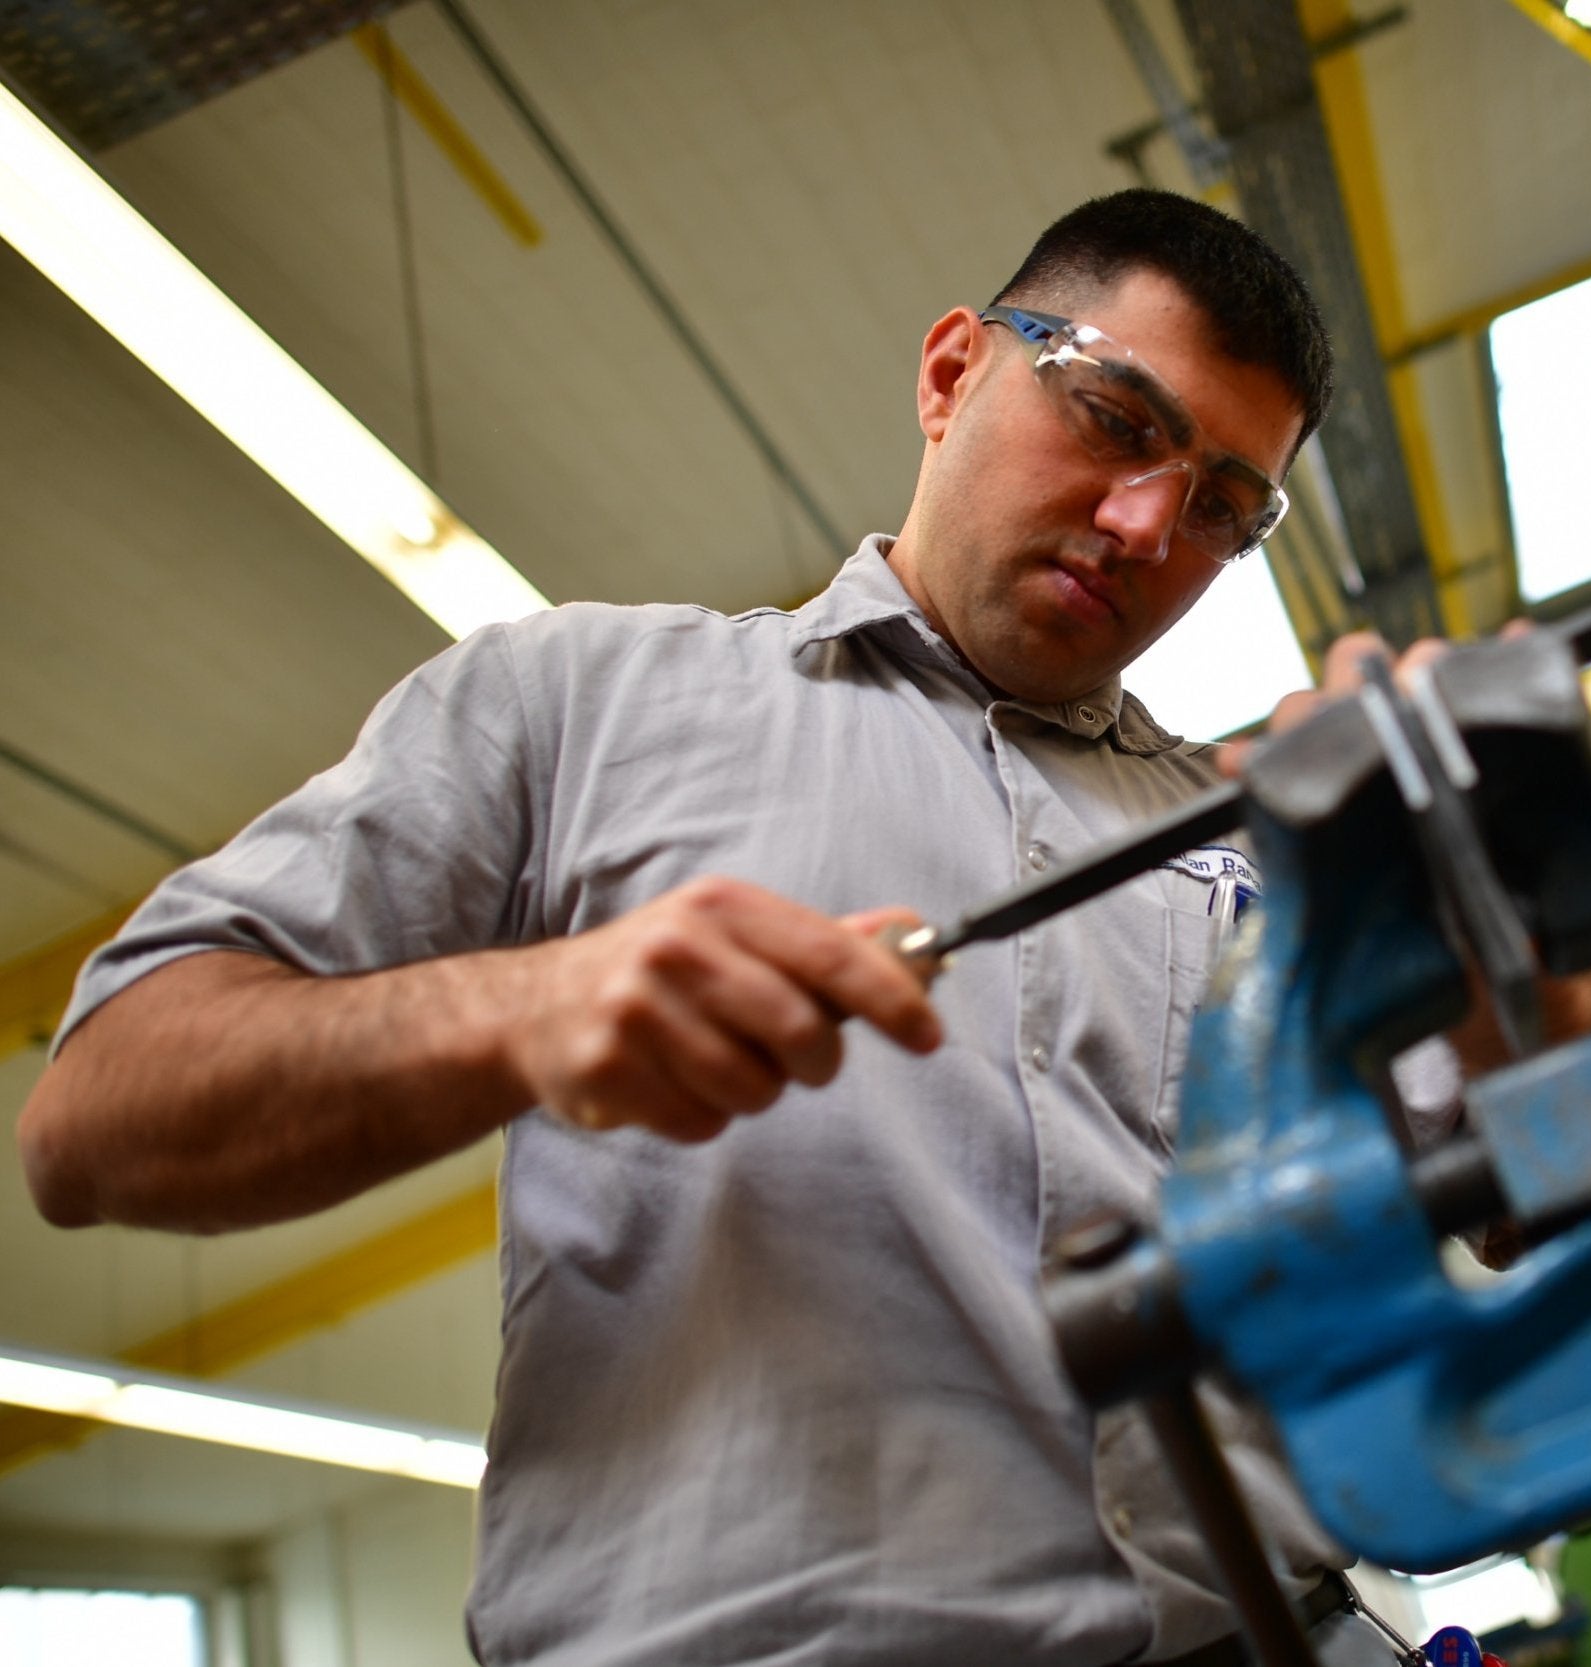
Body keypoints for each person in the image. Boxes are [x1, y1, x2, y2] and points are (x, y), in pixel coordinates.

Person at [18, 189, 1436, 1665]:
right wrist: (522, 1010)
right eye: (1112, 419)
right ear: (952, 373)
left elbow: (1523, 1180)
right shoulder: (583, 703)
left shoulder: (1243, 845)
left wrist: (1495, 912)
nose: (1148, 523)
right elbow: (95, 1117)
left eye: (1220, 505)